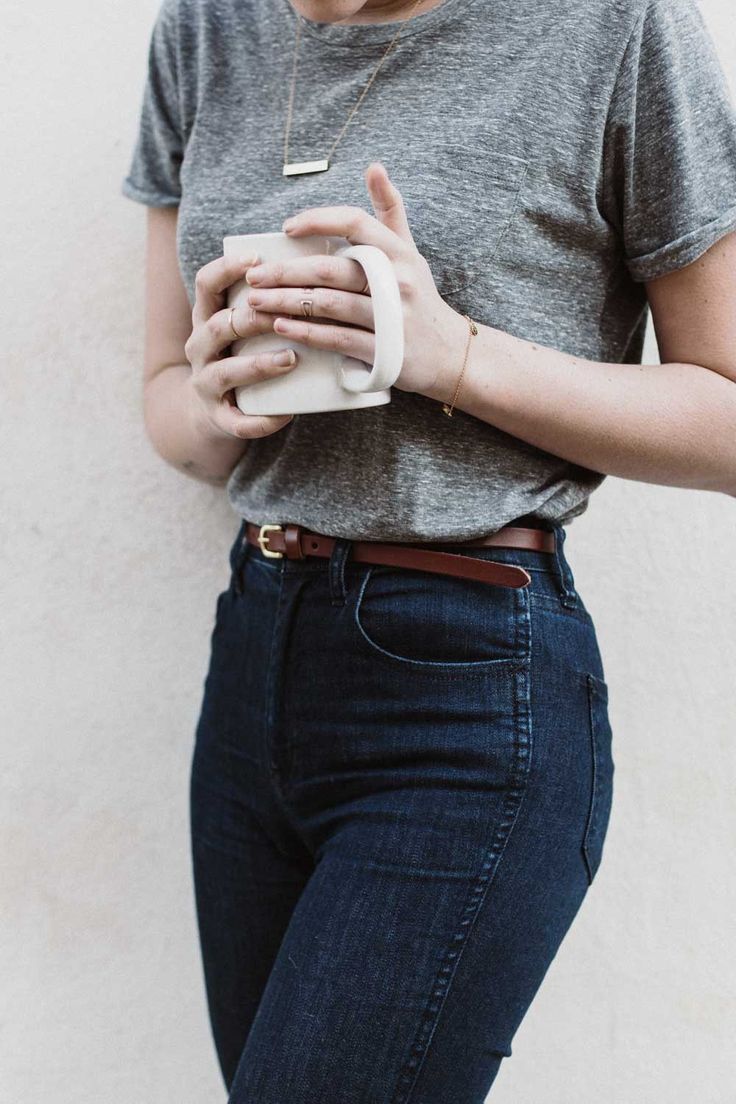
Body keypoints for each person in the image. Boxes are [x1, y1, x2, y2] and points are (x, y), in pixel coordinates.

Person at [121, 0, 736, 1098]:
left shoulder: (617, 25)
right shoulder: (204, 26)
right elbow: (167, 399)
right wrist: (218, 404)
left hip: (466, 683)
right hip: (256, 645)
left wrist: (449, 355)